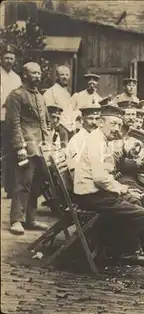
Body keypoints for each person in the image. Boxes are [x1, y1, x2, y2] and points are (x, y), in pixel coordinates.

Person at [72, 104, 144, 274]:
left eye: (119, 125)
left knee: (138, 200)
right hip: (91, 196)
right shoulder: (95, 142)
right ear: (100, 122)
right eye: (113, 124)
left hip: (97, 193)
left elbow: (106, 174)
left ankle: (125, 250)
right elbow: (99, 178)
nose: (117, 128)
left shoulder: (101, 140)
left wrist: (124, 189)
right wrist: (123, 190)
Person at [5, 62, 50, 235]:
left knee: (37, 184)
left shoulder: (40, 96)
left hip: (41, 147)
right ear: (25, 75)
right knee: (22, 182)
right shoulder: (16, 96)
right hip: (25, 146)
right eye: (34, 73)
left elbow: (45, 122)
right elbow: (13, 124)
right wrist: (19, 147)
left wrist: (48, 143)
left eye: (39, 73)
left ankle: (30, 219)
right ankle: (17, 220)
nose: (38, 76)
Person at [1, 45, 22, 198]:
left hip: (10, 120)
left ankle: (9, 186)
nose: (8, 60)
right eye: (6, 57)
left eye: (11, 58)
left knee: (10, 152)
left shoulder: (17, 78)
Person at [66, 104, 101, 171]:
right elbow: (76, 169)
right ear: (82, 120)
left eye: (97, 119)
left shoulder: (96, 137)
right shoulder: (77, 140)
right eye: (90, 118)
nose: (94, 122)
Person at [43, 66, 77, 135]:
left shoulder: (67, 93)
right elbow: (47, 113)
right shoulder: (50, 92)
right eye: (62, 75)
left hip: (68, 127)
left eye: (67, 75)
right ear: (57, 76)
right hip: (57, 128)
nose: (65, 77)